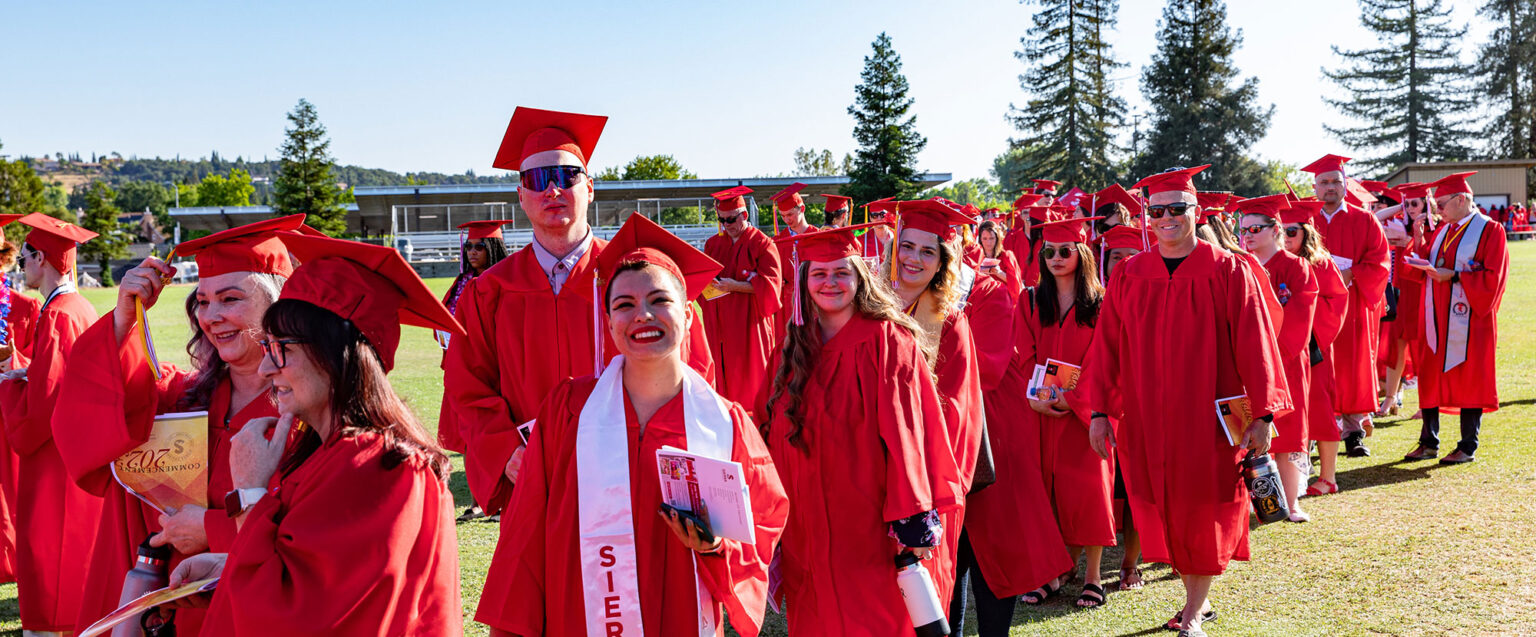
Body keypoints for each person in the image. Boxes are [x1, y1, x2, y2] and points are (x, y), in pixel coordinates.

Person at [477, 213, 789, 637]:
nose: (642, 315)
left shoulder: (725, 423)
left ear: (689, 317)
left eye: (659, 300)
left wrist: (716, 547)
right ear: (608, 325)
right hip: (580, 616)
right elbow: (526, 533)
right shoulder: (568, 412)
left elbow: (762, 525)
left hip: (682, 616)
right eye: (624, 304)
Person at [168, 233, 465, 634]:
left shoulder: (375, 467)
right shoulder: (334, 453)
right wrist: (227, 566)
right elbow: (308, 568)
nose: (265, 369)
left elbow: (290, 617)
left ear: (335, 354)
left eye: (281, 349)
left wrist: (250, 491)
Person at [445, 107, 712, 518]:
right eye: (536, 179)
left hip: (634, 481)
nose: (552, 189)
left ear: (589, 187)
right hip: (533, 483)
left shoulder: (638, 276)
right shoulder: (489, 291)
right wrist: (506, 452)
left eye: (566, 175)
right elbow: (469, 387)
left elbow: (693, 372)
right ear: (520, 195)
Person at [52, 216, 306, 635]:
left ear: (276, 305)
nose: (212, 316)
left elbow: (314, 534)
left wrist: (212, 530)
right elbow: (95, 413)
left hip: (251, 608)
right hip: (165, 606)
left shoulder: (303, 412)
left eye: (229, 299)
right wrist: (123, 318)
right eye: (203, 302)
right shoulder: (182, 398)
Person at [1086, 166, 1291, 635]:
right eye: (1157, 211)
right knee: (1164, 504)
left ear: (1197, 212)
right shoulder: (1131, 274)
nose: (1167, 218)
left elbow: (1257, 343)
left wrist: (1263, 414)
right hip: (1147, 418)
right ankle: (1191, 598)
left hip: (1210, 418)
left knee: (1205, 506)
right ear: (1147, 217)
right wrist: (1100, 411)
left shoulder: (1229, 269)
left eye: (1178, 209)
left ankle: (1194, 609)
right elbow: (1107, 348)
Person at [762, 225, 963, 636]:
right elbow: (765, 427)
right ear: (804, 282)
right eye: (819, 274)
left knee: (875, 618)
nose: (830, 283)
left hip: (869, 526)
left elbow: (908, 434)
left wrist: (912, 516)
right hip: (807, 528)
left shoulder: (888, 340)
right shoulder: (795, 345)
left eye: (841, 273)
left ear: (860, 277)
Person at [882, 201, 988, 619]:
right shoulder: (868, 309)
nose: (913, 258)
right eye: (907, 247)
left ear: (943, 261)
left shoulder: (951, 323)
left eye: (928, 252)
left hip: (923, 487)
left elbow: (958, 416)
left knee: (921, 601)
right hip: (871, 483)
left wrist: (920, 489)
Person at [0, 213, 104, 635]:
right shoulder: (77, 306)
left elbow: (43, 404)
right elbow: (58, 376)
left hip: (54, 457)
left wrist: (8, 387)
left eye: (24, 257)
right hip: (73, 447)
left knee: (48, 548)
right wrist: (24, 369)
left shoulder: (60, 314)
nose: (19, 265)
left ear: (41, 258)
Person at [1021, 217, 1119, 608]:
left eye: (1065, 251)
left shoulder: (1101, 303)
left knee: (1089, 492)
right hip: (1042, 413)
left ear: (1082, 254)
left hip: (1086, 414)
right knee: (1048, 495)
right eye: (1049, 252)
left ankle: (1094, 577)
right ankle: (1054, 573)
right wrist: (1034, 396)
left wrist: (1076, 401)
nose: (1056, 258)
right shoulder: (1030, 300)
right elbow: (1021, 353)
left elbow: (1105, 359)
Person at [1402, 172, 1509, 464]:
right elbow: (1427, 266)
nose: (1436, 209)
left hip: (1471, 320)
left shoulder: (1490, 230)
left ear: (1462, 199)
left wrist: (1456, 277)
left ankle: (1468, 445)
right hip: (1436, 318)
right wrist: (1419, 244)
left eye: (1441, 203)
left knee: (1470, 378)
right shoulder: (1444, 230)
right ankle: (1429, 442)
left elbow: (1494, 277)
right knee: (1431, 374)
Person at [1234, 195, 1320, 522]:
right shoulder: (1240, 266)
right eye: (1244, 230)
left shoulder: (1296, 268)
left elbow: (1301, 316)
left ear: (1275, 229)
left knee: (1290, 429)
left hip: (1286, 361)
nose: (1249, 236)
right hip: (1248, 363)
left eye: (1256, 228)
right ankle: (1253, 501)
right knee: (1247, 429)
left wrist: (1270, 353)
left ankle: (1292, 502)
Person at [1302, 154, 1390, 458]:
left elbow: (1380, 261)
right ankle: (1314, 431)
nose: (1330, 187)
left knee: (1353, 365)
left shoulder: (1363, 219)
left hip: (1352, 303)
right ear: (1314, 186)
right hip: (1312, 304)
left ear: (1345, 184)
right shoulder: (1305, 220)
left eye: (1336, 182)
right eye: (1324, 182)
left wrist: (1350, 274)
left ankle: (1353, 430)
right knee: (1317, 364)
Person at [439, 219, 513, 523]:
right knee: (470, 435)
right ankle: (477, 499)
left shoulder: (507, 281)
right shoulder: (461, 283)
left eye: (479, 246)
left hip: (499, 369)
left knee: (504, 433)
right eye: (468, 246)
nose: (472, 251)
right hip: (463, 368)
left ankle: (503, 497)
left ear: (493, 248)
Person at [1280, 200, 1349, 496]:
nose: (1286, 237)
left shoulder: (1321, 263)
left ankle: (1329, 477)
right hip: (1284, 350)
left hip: (1315, 349)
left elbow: (1337, 301)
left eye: (1292, 231)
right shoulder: (1275, 261)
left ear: (1306, 232)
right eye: (1280, 230)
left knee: (1320, 410)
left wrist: (1309, 328)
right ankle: (1293, 475)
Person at [703, 185, 784, 410]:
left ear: (744, 215)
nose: (727, 226)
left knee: (753, 380)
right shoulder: (713, 244)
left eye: (731, 219)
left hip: (750, 325)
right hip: (720, 327)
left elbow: (772, 287)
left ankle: (756, 424)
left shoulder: (763, 244)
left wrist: (736, 286)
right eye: (722, 220)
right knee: (721, 381)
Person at [0, 236, 41, 587]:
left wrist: (11, 358)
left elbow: (39, 368)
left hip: (8, 412)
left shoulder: (25, 307)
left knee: (11, 487)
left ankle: (8, 560)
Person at [770, 183, 818, 345]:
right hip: (786, 305)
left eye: (790, 214)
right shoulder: (777, 241)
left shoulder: (818, 236)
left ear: (802, 209)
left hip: (813, 300)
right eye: (783, 215)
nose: (786, 220)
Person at [976, 220, 1023, 299]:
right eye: (985, 238)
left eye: (991, 238)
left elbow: (1016, 284)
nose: (988, 242)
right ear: (980, 239)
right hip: (982, 300)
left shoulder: (1006, 256)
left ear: (997, 238)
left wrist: (999, 273)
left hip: (1003, 301)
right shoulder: (976, 258)